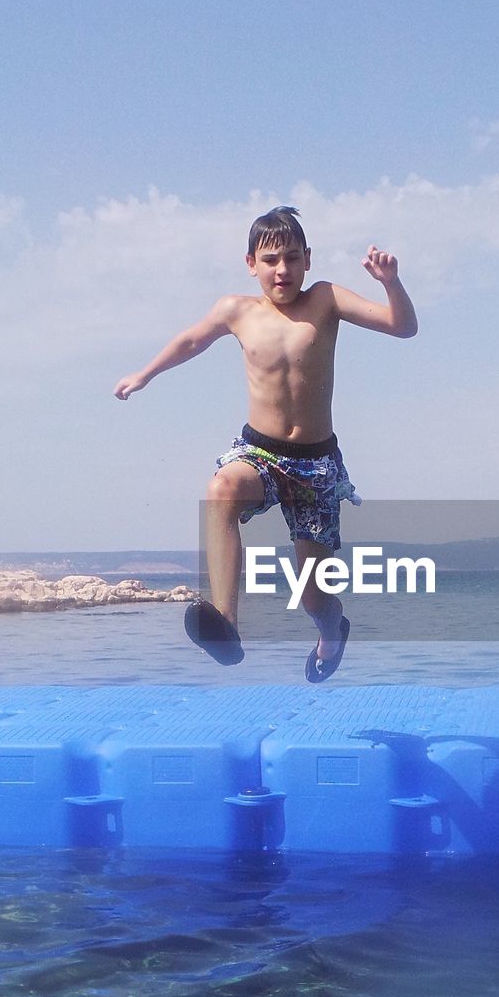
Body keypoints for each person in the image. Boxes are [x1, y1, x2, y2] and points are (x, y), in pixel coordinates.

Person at [114, 205, 417, 681]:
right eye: (271, 259)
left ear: (308, 260)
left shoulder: (326, 300)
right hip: (260, 452)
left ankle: (333, 629)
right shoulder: (237, 310)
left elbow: (403, 326)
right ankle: (227, 624)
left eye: (292, 258)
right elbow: (192, 341)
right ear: (251, 262)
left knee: (312, 594)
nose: (283, 270)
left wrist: (391, 283)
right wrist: (144, 374)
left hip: (317, 464)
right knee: (222, 489)